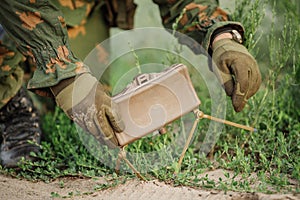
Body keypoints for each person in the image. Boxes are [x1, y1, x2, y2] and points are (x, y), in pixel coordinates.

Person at [0, 0, 261, 168]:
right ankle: (10, 105)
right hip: (18, 9)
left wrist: (220, 36)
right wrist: (65, 75)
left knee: (99, 115)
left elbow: (181, 2)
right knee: (71, 90)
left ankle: (31, 90)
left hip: (76, 10)